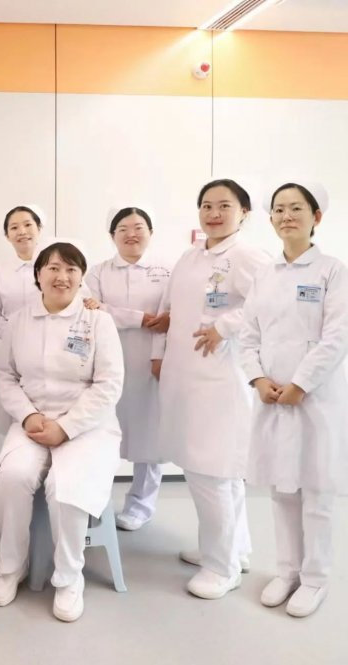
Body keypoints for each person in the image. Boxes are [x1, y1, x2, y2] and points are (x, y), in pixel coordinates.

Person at [0, 242, 123, 622]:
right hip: (33, 421)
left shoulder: (98, 322)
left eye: (71, 269)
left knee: (66, 487)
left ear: (81, 277)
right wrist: (28, 415)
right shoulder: (20, 321)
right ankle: (11, 567)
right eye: (54, 268)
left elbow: (109, 384)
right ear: (38, 275)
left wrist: (67, 426)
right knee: (13, 476)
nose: (62, 276)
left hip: (87, 425)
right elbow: (5, 374)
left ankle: (69, 577)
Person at [153, 178, 270, 599]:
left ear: (244, 213)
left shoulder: (247, 256)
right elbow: (171, 308)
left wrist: (225, 325)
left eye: (224, 205)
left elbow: (271, 301)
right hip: (187, 377)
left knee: (213, 472)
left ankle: (222, 569)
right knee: (215, 473)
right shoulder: (191, 256)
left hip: (220, 380)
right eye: (206, 205)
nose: (214, 213)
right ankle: (234, 550)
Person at [240, 182, 348, 618]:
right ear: (270, 219)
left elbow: (336, 337)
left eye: (296, 208)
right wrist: (258, 379)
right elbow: (248, 335)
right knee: (282, 490)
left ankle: (316, 578)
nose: (286, 216)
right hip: (271, 397)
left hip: (315, 400)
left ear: (316, 217)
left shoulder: (332, 271)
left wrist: (300, 384)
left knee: (316, 492)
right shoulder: (264, 275)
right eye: (279, 209)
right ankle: (287, 572)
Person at [84, 207, 172, 531]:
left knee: (150, 436)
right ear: (112, 236)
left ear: (150, 232)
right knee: (100, 435)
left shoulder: (167, 271)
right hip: (108, 361)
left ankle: (141, 505)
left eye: (138, 227)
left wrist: (159, 354)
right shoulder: (98, 272)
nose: (131, 234)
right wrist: (140, 319)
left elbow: (170, 316)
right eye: (122, 228)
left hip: (152, 361)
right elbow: (92, 311)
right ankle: (94, 503)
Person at [0, 205, 46, 338]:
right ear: (7, 236)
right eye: (14, 227)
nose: (22, 232)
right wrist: (15, 334)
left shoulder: (58, 265)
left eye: (28, 225)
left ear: (39, 228)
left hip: (54, 342)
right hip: (14, 344)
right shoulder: (0, 271)